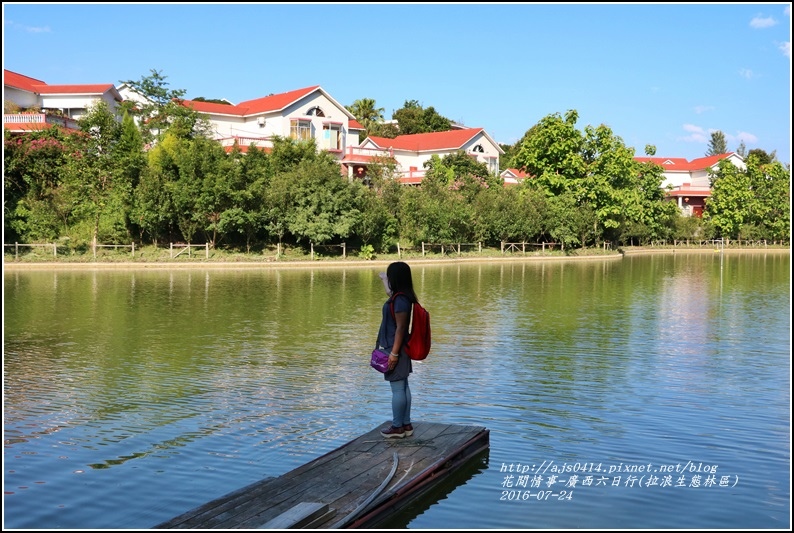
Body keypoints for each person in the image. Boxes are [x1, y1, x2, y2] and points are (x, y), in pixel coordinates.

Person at [375, 261, 417, 439]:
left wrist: (393, 353)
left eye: (390, 275)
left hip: (397, 348)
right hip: (400, 348)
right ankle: (406, 424)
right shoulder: (401, 297)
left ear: (396, 278)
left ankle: (397, 427)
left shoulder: (400, 300)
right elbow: (390, 294)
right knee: (403, 386)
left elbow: (400, 328)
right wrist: (384, 279)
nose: (389, 278)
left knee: (398, 388)